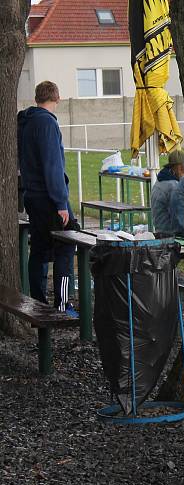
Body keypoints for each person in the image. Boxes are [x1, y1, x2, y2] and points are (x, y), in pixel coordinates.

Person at [17, 81, 78, 316]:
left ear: (36, 97)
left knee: (40, 250)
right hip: (49, 199)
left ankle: (37, 302)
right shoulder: (47, 123)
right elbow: (53, 166)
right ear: (57, 98)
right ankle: (62, 305)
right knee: (67, 245)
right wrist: (61, 203)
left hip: (32, 195)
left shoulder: (25, 122)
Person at [151, 149, 184, 236]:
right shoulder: (174, 186)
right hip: (169, 233)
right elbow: (178, 217)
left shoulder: (160, 181)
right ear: (180, 168)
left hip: (159, 229)